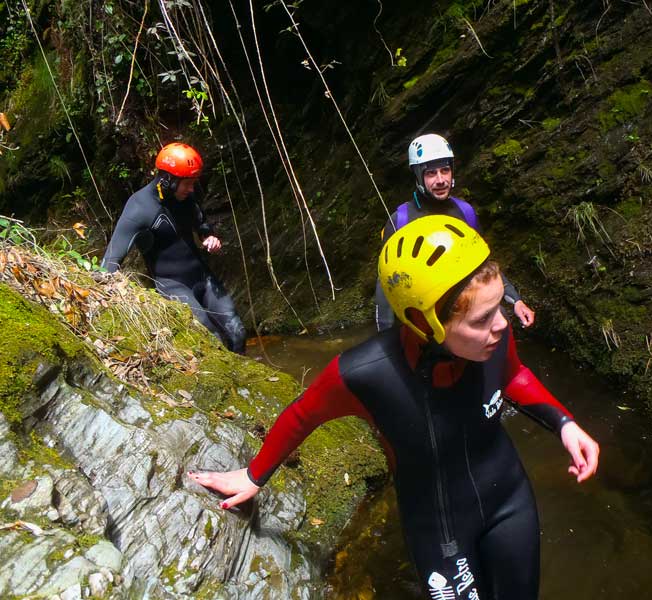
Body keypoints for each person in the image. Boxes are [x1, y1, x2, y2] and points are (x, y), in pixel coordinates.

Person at [190, 215, 599, 599]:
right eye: (482, 318)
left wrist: (565, 425)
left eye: (500, 309)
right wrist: (253, 475)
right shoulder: (366, 373)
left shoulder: (493, 336)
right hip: (439, 529)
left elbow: (512, 375)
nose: (502, 325)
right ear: (425, 324)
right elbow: (304, 413)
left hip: (510, 501)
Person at [375, 132, 536, 332]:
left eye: (445, 170)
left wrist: (516, 301)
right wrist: (385, 333)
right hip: (422, 323)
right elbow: (387, 284)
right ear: (417, 175)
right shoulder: (400, 221)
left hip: (462, 320)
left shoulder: (465, 212)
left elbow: (483, 266)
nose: (441, 180)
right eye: (431, 173)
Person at [101, 142, 245, 354]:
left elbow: (201, 222)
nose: (192, 188)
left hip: (203, 278)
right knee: (211, 337)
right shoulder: (139, 208)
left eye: (193, 182)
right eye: (187, 183)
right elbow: (110, 261)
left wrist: (209, 236)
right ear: (167, 180)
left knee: (238, 332)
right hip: (173, 285)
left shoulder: (185, 196)